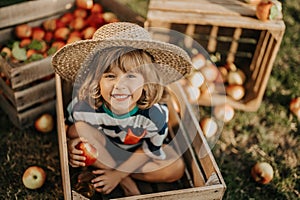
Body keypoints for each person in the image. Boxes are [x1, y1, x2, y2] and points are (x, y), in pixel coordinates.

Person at [52, 22, 192, 197]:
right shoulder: (85, 107)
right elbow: (69, 130)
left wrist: (119, 173)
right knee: (78, 130)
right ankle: (126, 182)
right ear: (96, 80)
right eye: (110, 76)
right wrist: (72, 145)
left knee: (176, 168)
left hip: (137, 156)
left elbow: (150, 149)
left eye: (131, 76)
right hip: (103, 150)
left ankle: (117, 174)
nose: (120, 85)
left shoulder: (154, 114)